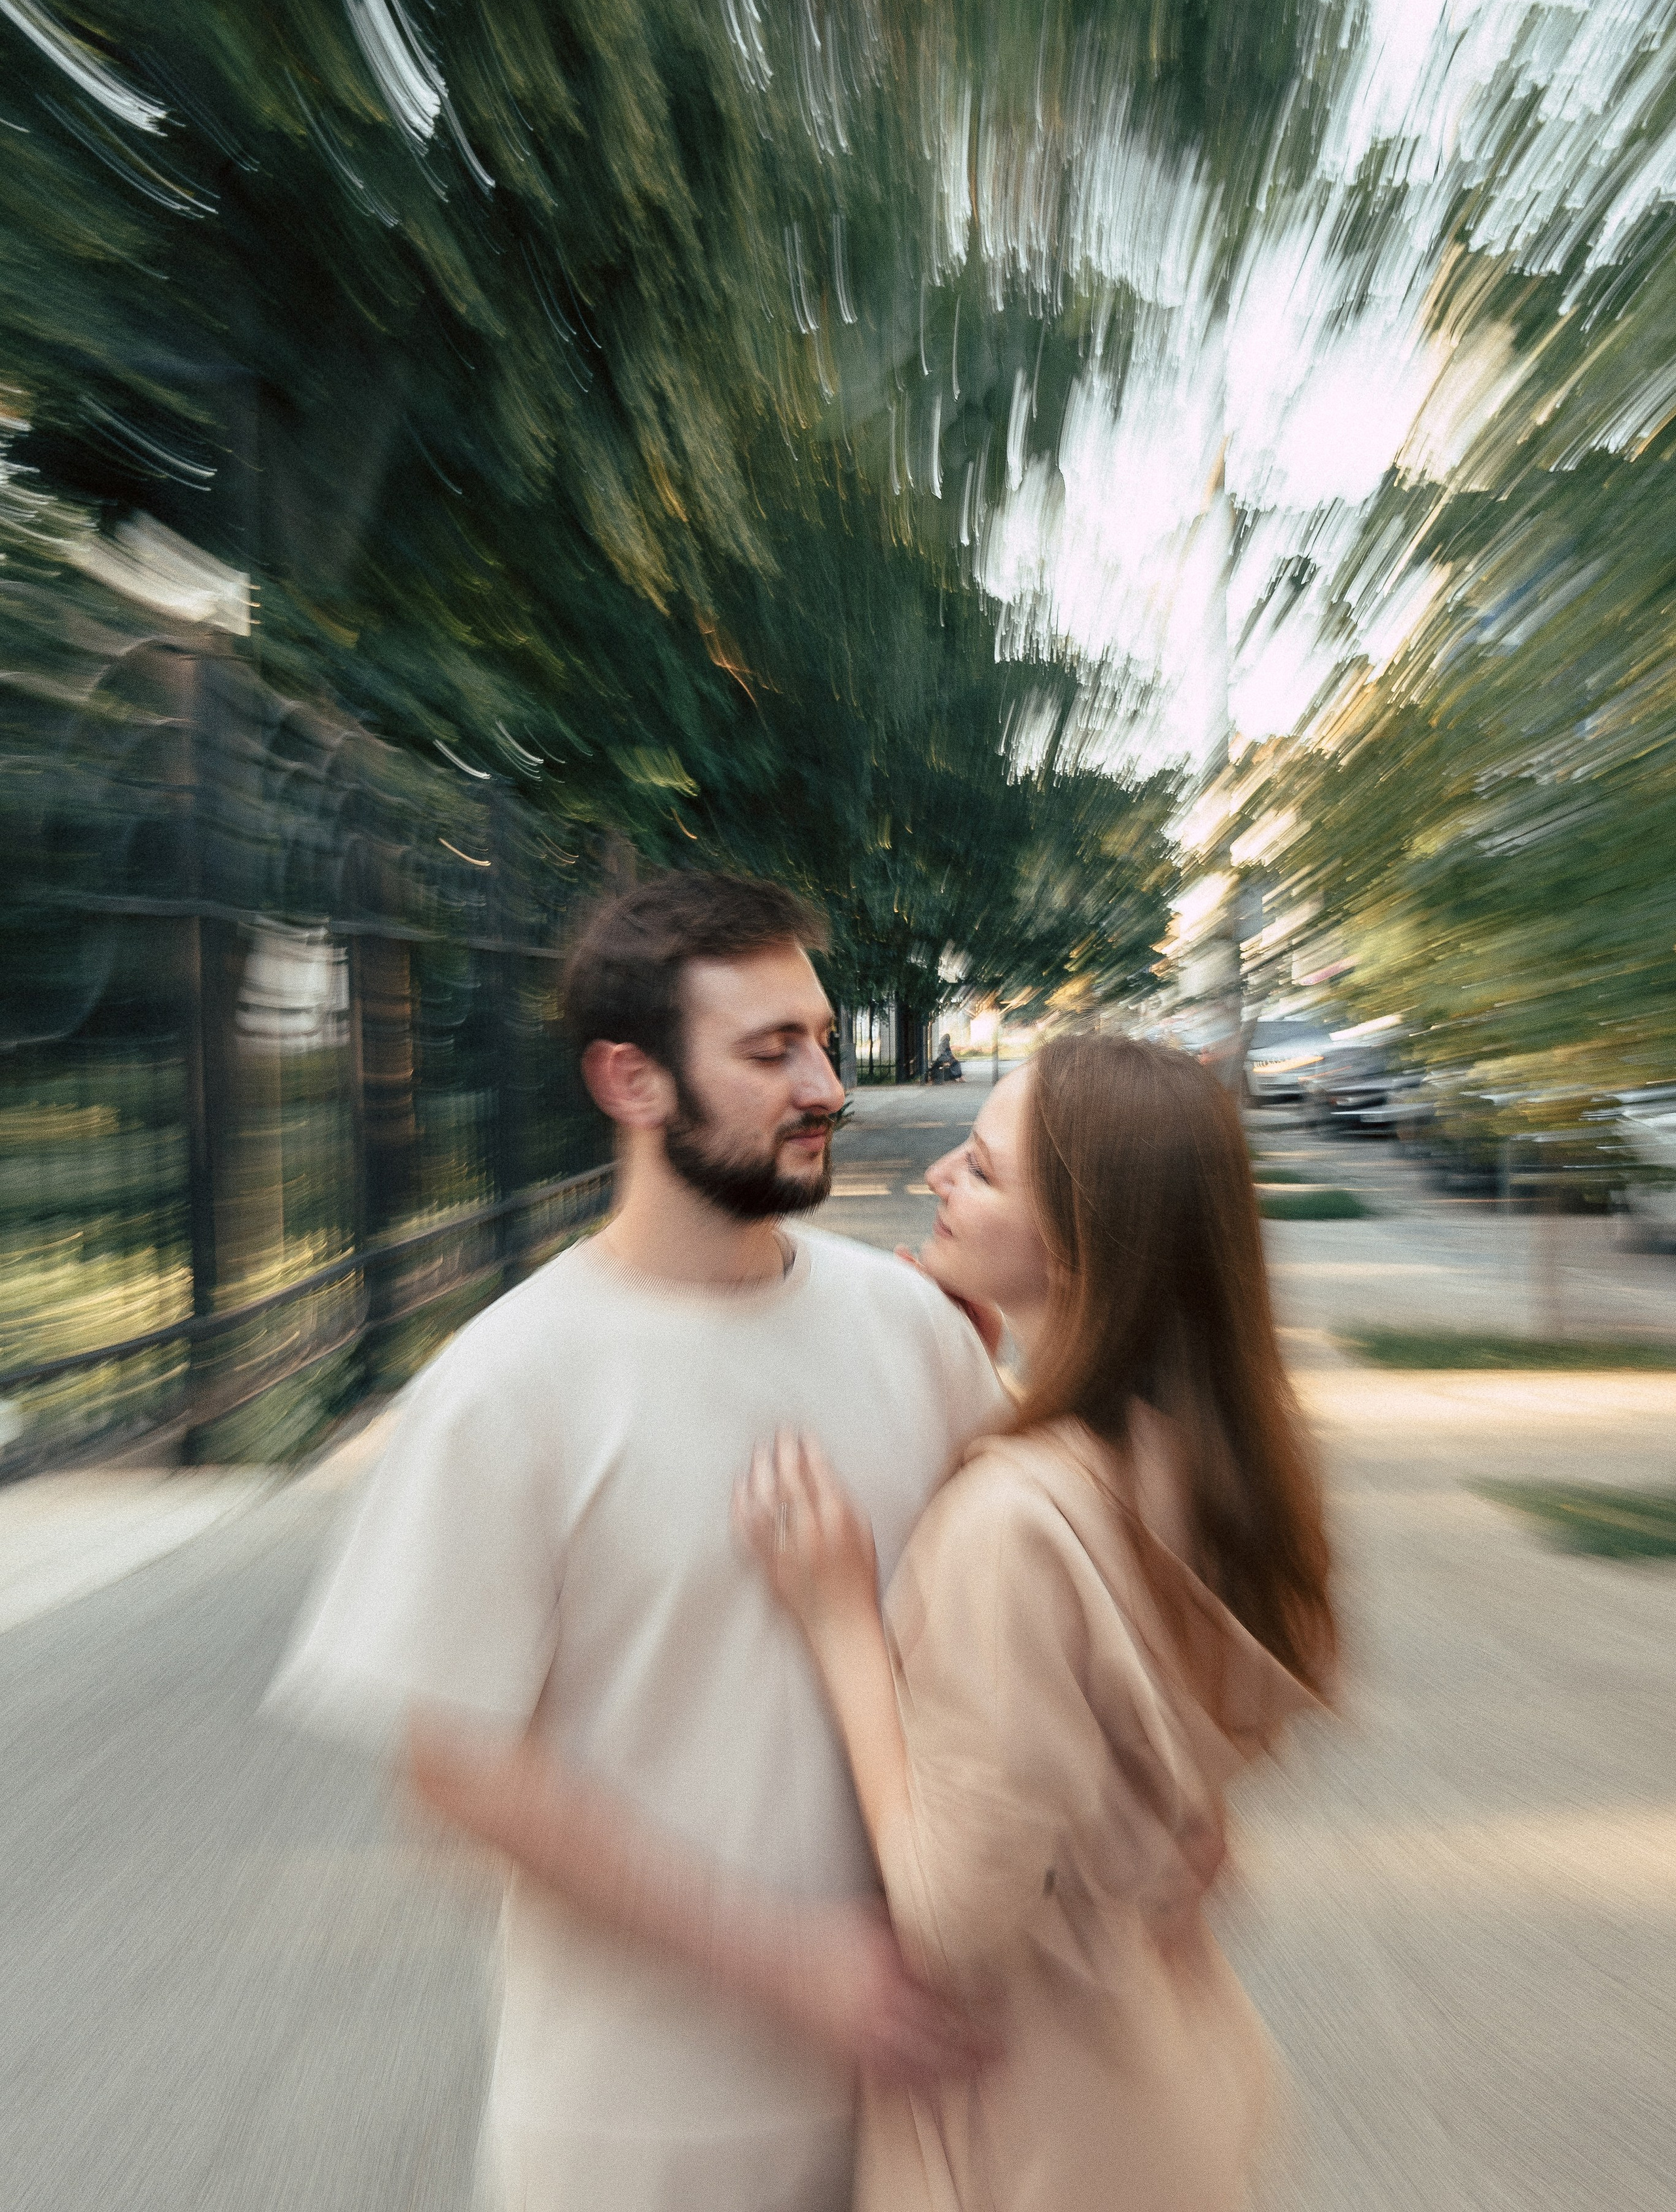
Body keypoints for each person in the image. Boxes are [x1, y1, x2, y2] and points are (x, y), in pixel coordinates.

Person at [267, 871, 1008, 2212]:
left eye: (823, 1040)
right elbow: (454, 1776)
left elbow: (1012, 1631)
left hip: (927, 2108)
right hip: (640, 2135)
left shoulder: (918, 1335)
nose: (826, 1086)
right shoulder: (504, 1387)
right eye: (770, 1050)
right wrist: (792, 1964)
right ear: (631, 1080)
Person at [737, 1033, 1336, 2212]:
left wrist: (843, 1620)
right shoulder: (1220, 1464)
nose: (935, 1179)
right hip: (1167, 2082)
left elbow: (954, 1916)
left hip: (1034, 2131)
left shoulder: (1010, 1525)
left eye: (983, 1168)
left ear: (1081, 1239)